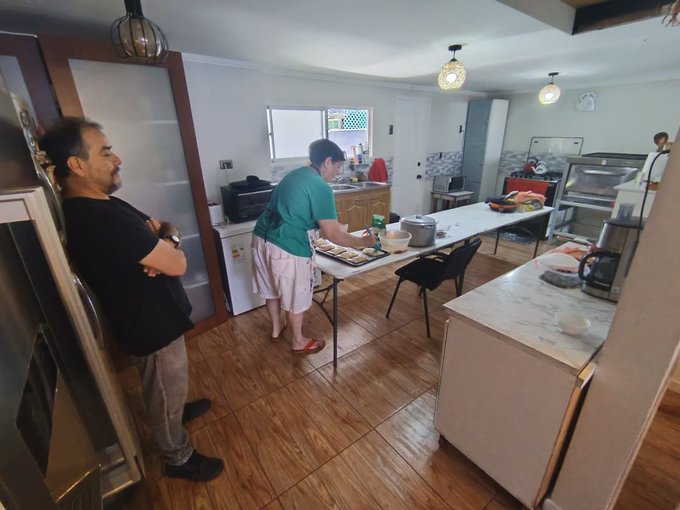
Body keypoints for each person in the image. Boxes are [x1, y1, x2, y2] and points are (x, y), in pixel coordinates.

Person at [39, 118, 224, 482]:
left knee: (168, 386)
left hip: (157, 316)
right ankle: (178, 457)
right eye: (105, 152)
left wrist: (166, 241)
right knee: (163, 388)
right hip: (149, 324)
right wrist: (166, 249)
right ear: (76, 164)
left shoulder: (105, 204)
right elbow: (178, 263)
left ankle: (176, 414)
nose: (117, 159)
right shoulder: (98, 218)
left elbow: (165, 225)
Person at [252, 139, 376, 353]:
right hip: (287, 245)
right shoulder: (320, 187)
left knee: (271, 290)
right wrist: (363, 242)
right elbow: (333, 234)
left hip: (260, 238)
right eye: (337, 166)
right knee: (296, 296)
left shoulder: (295, 174)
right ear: (327, 162)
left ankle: (276, 329)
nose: (337, 172)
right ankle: (298, 341)